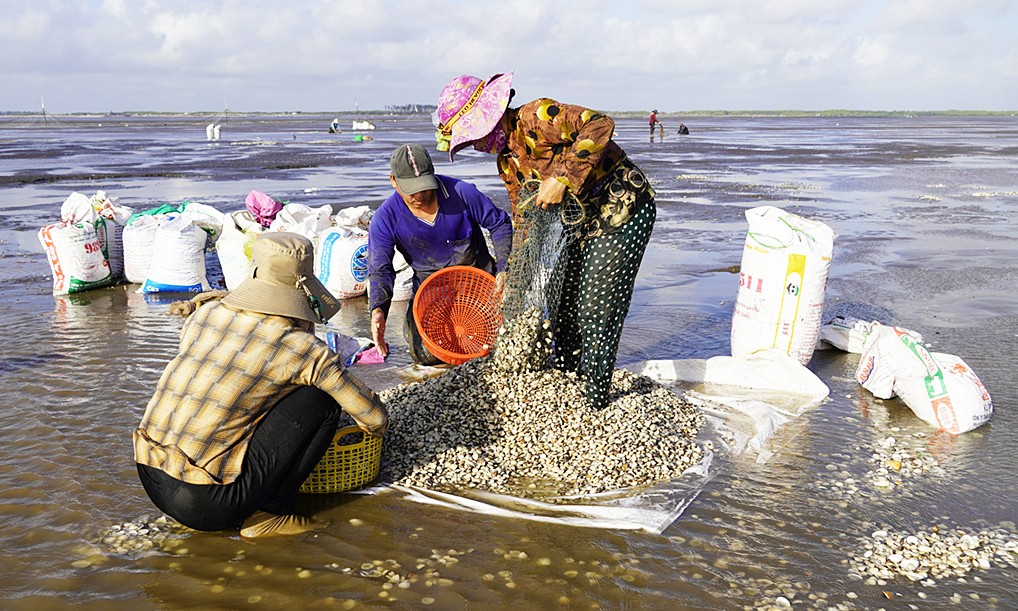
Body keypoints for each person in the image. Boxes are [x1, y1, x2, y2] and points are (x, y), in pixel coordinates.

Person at [133, 233, 388, 538]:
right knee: (319, 401)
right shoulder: (301, 348)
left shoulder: (207, 313)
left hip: (150, 473)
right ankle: (269, 515)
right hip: (206, 502)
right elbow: (376, 418)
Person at [434, 72, 656, 411]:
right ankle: (570, 382)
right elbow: (523, 216)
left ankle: (595, 402)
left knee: (596, 306)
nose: (476, 146)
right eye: (470, 142)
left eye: (475, 137)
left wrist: (563, 177)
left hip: (620, 210)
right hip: (577, 222)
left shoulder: (536, 117)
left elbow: (598, 124)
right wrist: (513, 270)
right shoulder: (507, 163)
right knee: (563, 306)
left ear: (492, 116)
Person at [368, 143, 513, 365]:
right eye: (411, 190)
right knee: (427, 357)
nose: (419, 195)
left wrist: (504, 269)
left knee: (499, 348)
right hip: (431, 293)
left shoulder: (461, 193)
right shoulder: (385, 219)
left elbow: (500, 224)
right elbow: (381, 269)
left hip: (478, 288)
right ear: (393, 181)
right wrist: (378, 310)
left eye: (424, 186)